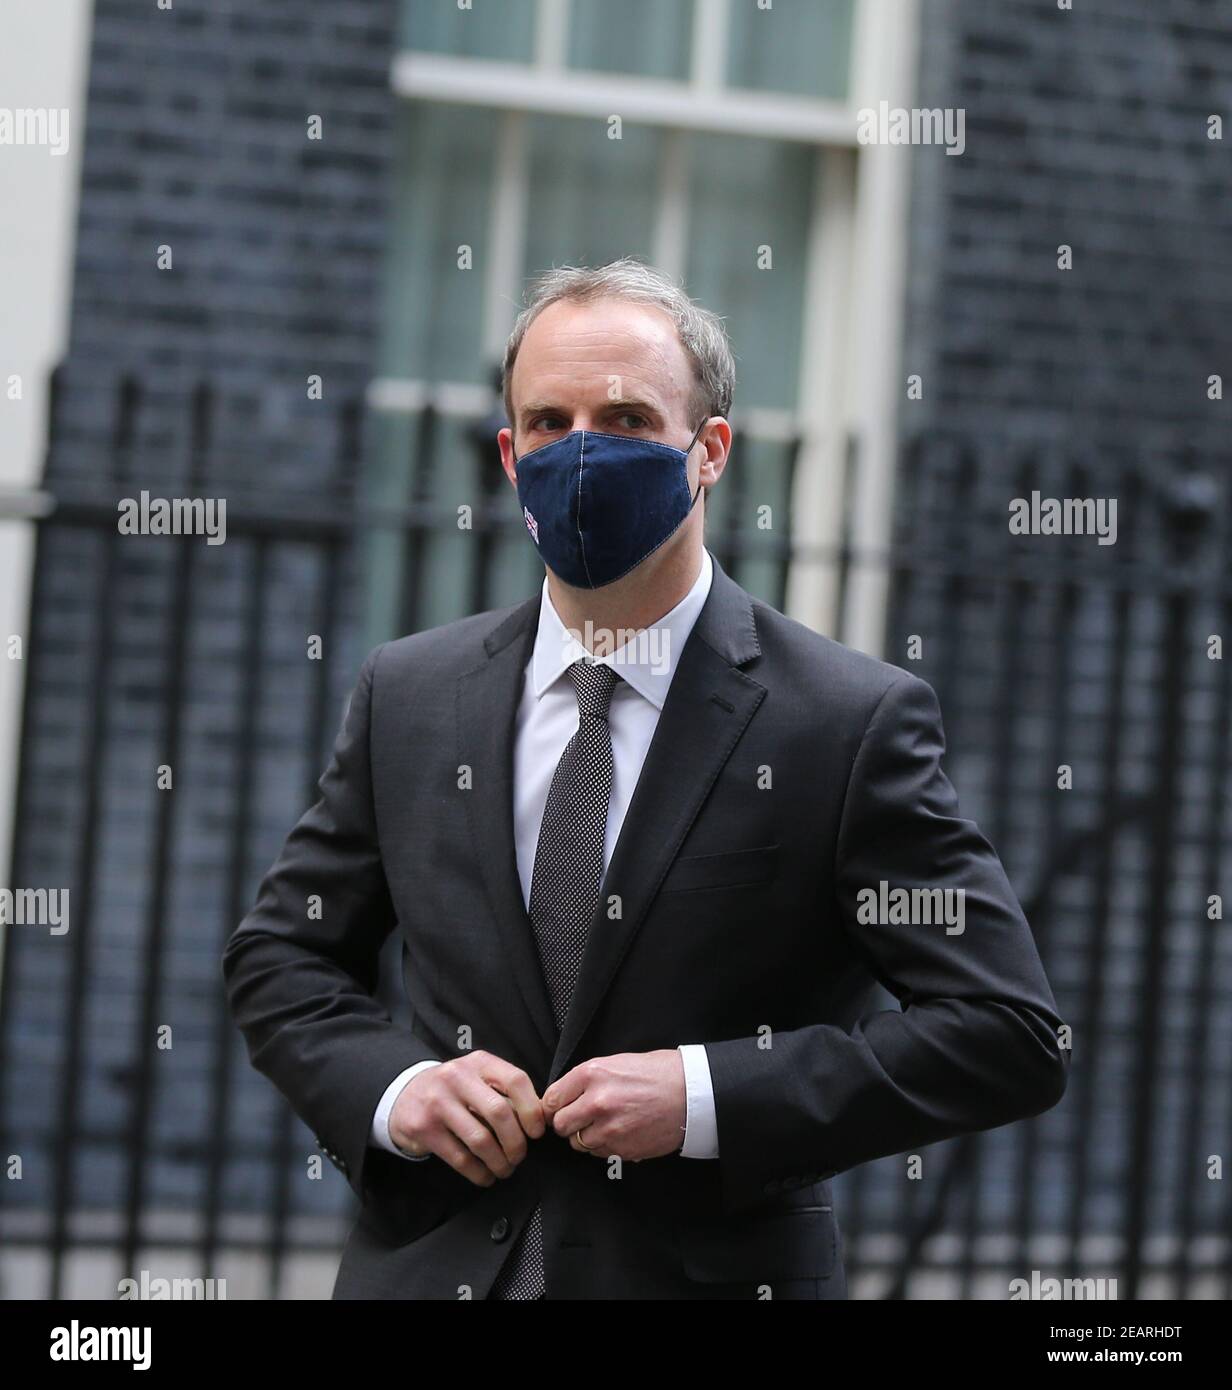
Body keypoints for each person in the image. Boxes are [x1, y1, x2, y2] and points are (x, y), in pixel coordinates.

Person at [222, 257, 1068, 1300]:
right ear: (507, 452)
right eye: (547, 421)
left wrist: (706, 1094)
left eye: (624, 419)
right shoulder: (412, 692)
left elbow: (1006, 1031)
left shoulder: (845, 722)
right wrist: (398, 1091)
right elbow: (282, 956)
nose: (580, 452)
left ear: (707, 450)